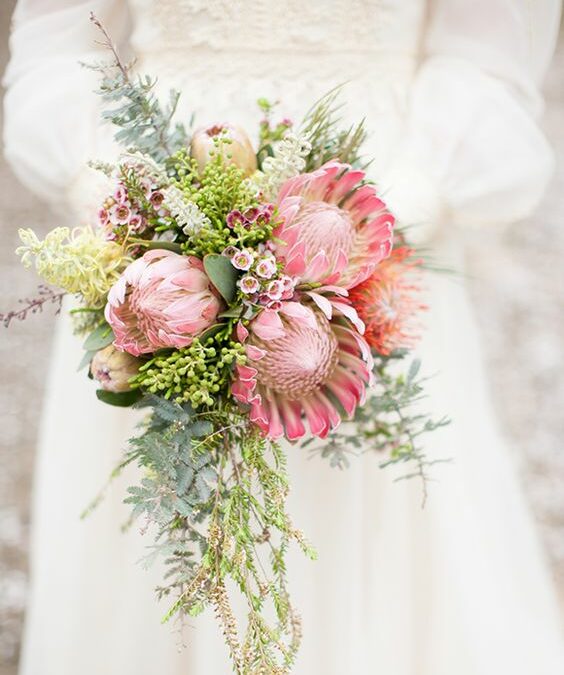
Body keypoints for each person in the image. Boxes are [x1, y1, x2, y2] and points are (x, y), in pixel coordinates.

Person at [4, 1, 564, 673]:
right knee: (167, 526)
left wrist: (385, 213)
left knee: (375, 524)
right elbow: (57, 44)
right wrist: (129, 201)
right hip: (157, 231)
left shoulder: (388, 217)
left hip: (382, 226)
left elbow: (487, 61)